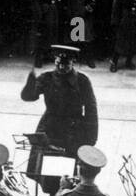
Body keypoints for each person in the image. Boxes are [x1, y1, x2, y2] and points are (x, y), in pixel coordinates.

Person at [20, 44, 99, 180]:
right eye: (58, 64)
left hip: (73, 132)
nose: (62, 68)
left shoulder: (82, 81)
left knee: (69, 173)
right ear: (55, 62)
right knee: (46, 172)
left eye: (66, 65)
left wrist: (91, 137)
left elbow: (91, 109)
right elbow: (28, 97)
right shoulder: (47, 78)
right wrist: (30, 83)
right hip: (50, 128)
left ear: (72, 63)